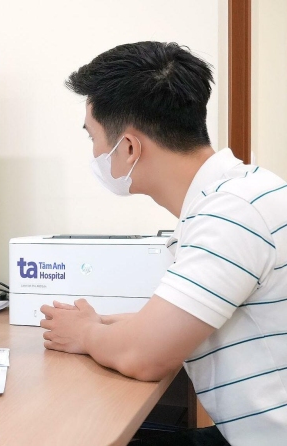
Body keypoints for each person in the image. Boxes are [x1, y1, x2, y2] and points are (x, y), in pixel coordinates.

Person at [40, 41, 287, 445]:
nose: (95, 152)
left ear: (129, 147)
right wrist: (97, 324)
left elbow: (146, 357)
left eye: (93, 137)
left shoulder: (232, 215)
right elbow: (168, 324)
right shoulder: (239, 193)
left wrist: (85, 334)